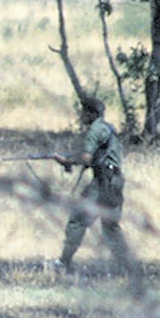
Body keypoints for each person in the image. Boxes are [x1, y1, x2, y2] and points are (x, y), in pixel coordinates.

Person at [51, 97, 142, 290]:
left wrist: (67, 160)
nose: (81, 116)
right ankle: (130, 267)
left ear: (91, 113)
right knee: (110, 226)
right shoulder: (108, 128)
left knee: (77, 219)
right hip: (115, 181)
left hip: (103, 182)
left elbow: (86, 158)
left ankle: (63, 262)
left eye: (84, 112)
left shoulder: (94, 130)